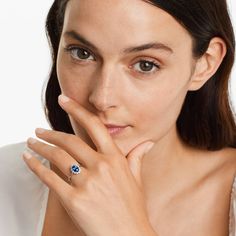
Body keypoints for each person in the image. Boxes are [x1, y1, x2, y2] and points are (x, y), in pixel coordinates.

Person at [0, 0, 236, 235]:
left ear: (205, 63)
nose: (102, 98)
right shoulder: (6, 181)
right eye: (82, 53)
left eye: (145, 65)